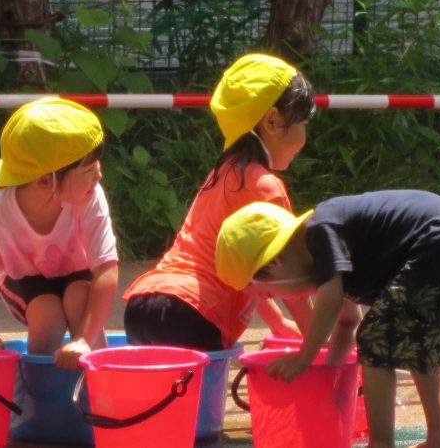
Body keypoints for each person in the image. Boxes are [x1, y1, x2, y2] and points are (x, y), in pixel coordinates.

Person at [215, 191, 440, 448]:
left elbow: (330, 301)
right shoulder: (335, 250)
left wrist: (304, 357)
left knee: (374, 340)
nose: (280, 298)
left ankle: (380, 443)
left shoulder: (321, 232)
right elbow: (347, 321)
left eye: (270, 293)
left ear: (274, 263)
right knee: (420, 346)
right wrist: (331, 378)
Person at [122, 53, 316, 351]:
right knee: (199, 387)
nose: (305, 135)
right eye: (302, 122)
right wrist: (319, 341)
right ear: (273, 121)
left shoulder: (221, 174)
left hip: (144, 305)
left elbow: (247, 268)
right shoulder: (266, 187)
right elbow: (290, 275)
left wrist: (277, 324)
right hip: (193, 313)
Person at [0, 97, 118, 370]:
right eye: (89, 169)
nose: (99, 175)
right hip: (24, 281)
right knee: (47, 311)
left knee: (79, 296)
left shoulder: (89, 196)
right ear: (45, 181)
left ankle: (98, 381)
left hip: (77, 276)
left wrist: (84, 340)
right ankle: (41, 385)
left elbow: (106, 269)